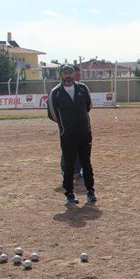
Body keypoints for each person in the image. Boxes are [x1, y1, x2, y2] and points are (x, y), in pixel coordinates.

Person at [47, 64, 96, 205]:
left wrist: (81, 123)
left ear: (74, 74)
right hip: (67, 135)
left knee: (86, 163)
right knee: (68, 165)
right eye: (65, 73)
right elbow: (52, 114)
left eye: (70, 72)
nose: (68, 75)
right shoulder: (55, 93)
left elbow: (88, 107)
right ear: (60, 75)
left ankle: (90, 191)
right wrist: (65, 126)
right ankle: (69, 193)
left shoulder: (82, 88)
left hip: (84, 133)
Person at [59, 65, 84, 180]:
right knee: (67, 149)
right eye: (77, 74)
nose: (77, 76)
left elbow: (87, 106)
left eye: (77, 74)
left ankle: (77, 171)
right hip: (67, 127)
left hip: (80, 126)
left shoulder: (81, 89)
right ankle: (65, 170)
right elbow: (53, 111)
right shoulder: (58, 91)